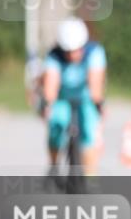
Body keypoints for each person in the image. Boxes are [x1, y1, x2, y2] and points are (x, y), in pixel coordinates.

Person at [41, 17, 107, 175]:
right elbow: (51, 84)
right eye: (68, 51)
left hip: (86, 97)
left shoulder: (94, 52)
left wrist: (99, 106)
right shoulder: (54, 56)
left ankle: (90, 179)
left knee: (89, 133)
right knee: (56, 125)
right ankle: (54, 166)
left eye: (76, 50)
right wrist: (48, 105)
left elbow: (95, 83)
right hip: (62, 97)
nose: (72, 55)